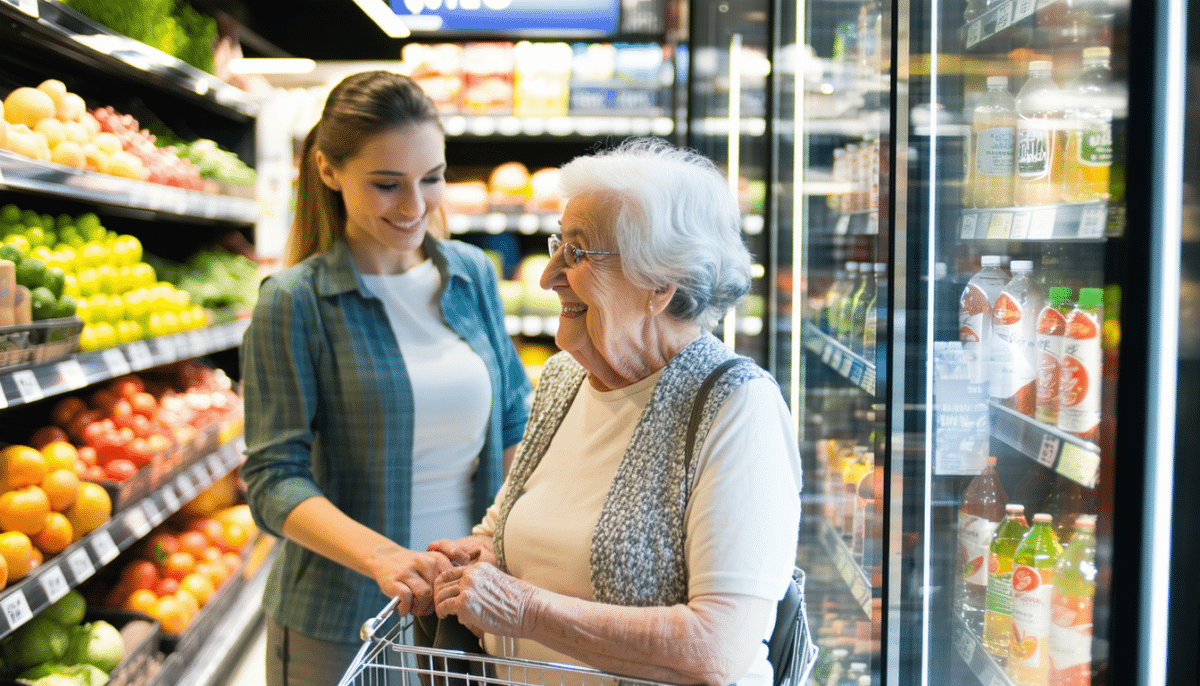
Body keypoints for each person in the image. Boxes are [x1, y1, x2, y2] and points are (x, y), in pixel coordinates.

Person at [425, 137, 803, 686]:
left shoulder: (737, 406)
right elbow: (504, 527)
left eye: (577, 253)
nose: (549, 275)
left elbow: (717, 648)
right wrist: (471, 559)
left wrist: (524, 610)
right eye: (557, 244)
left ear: (658, 282)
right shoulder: (563, 379)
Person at [239, 70, 532, 686]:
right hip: (339, 622)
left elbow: (513, 421)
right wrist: (385, 558)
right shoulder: (296, 302)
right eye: (386, 184)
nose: (415, 206)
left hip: (464, 615)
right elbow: (272, 480)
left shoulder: (472, 276)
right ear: (328, 171)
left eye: (432, 178)